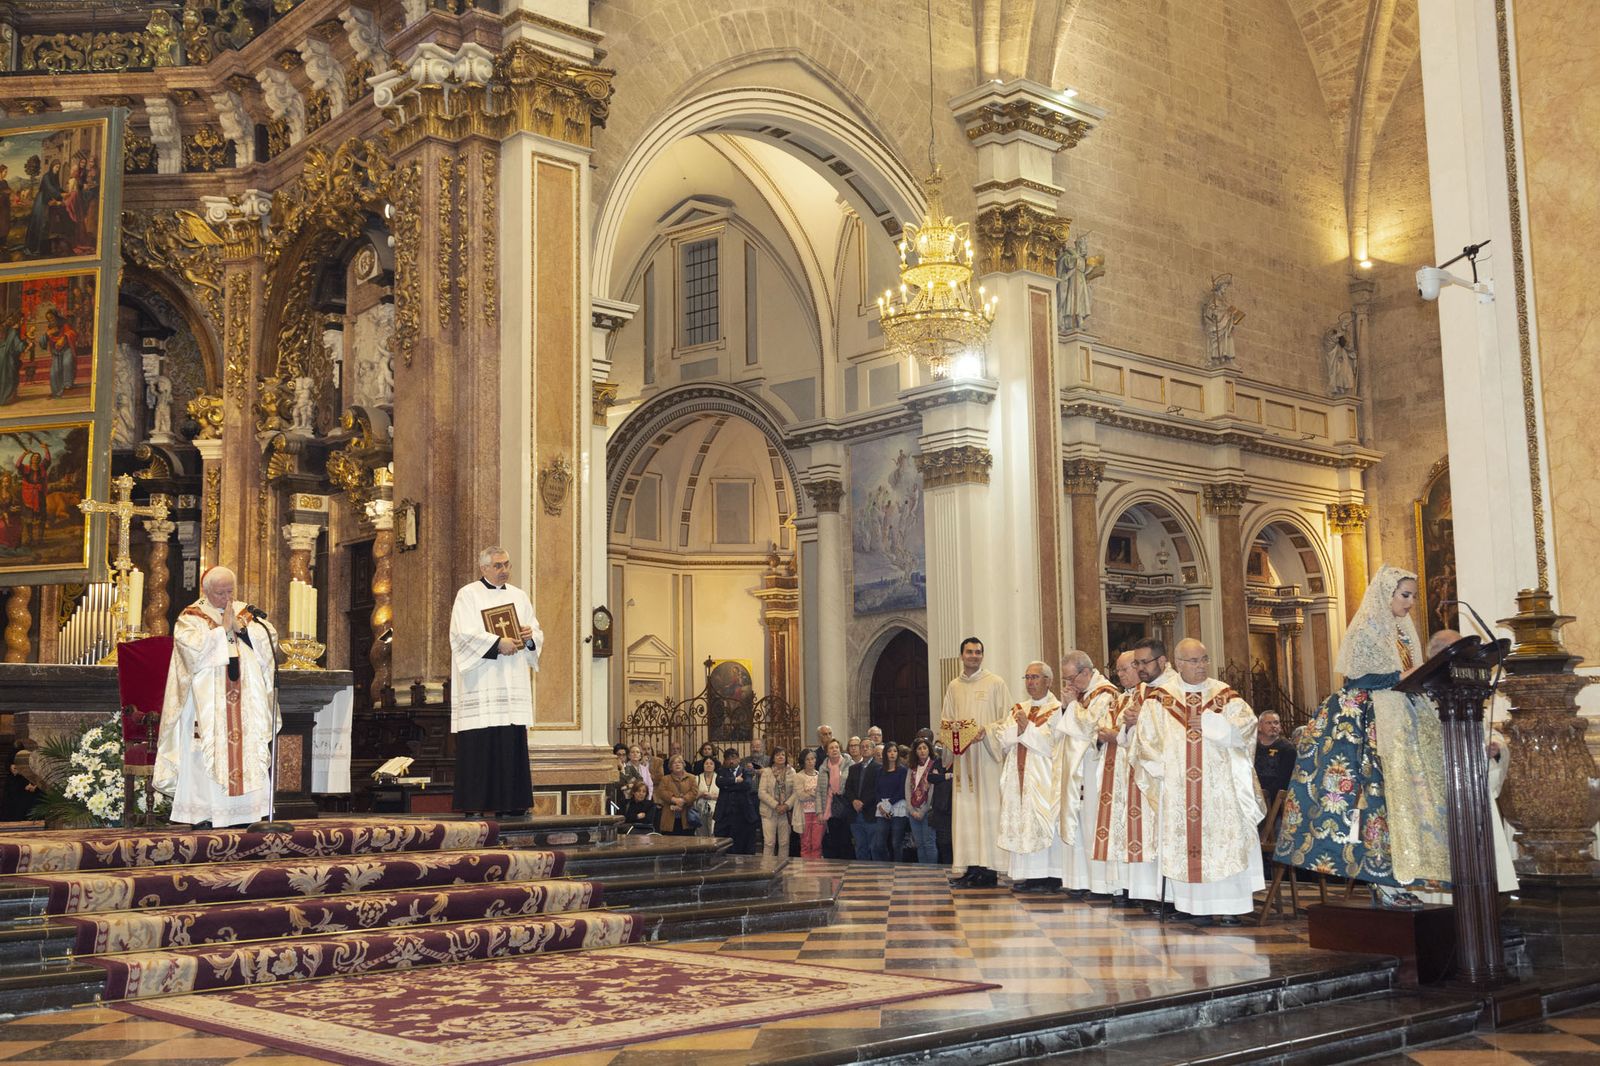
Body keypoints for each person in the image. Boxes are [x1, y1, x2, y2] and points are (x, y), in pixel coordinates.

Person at [1275, 569, 1473, 907]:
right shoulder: (1367, 628)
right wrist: (1402, 675)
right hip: (1368, 725)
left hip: (1402, 720)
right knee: (1374, 805)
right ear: (1386, 595)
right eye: (1405, 595)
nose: (1410, 603)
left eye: (1413, 596)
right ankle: (1383, 881)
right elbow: (1357, 676)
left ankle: (1405, 876)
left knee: (1407, 802)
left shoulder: (1403, 632)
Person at [1136, 639, 1265, 924]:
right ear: (1178, 664)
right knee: (1184, 846)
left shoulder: (1224, 696)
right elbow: (1145, 743)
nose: (1201, 666)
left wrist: (1212, 725)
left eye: (1204, 659)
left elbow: (1248, 728)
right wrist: (1164, 772)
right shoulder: (1160, 699)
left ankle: (1229, 907)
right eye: (1194, 661)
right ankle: (1190, 907)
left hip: (1219, 792)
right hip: (1179, 790)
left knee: (1224, 845)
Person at [154, 566, 280, 827]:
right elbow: (190, 649)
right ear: (206, 590)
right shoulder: (191, 617)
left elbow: (270, 639)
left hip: (245, 698)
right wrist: (221, 632)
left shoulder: (246, 612)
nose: (226, 597)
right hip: (208, 701)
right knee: (205, 749)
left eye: (230, 591)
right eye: (220, 592)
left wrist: (242, 629)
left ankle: (250, 813)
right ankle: (204, 812)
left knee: (247, 747)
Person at [447, 546, 542, 818]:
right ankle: (475, 805)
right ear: (484, 568)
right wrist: (497, 644)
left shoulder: (519, 596)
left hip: (511, 682)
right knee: (480, 741)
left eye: (507, 565)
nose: (504, 570)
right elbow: (461, 635)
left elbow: (535, 629)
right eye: (498, 565)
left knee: (509, 740)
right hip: (482, 680)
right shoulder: (468, 595)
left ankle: (511, 803)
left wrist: (529, 637)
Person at [1093, 650, 1161, 911]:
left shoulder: (1151, 697)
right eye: (1118, 670)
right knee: (1120, 830)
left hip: (1141, 773)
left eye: (1125, 669)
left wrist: (1120, 734)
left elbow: (1154, 732)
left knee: (1143, 831)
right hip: (1117, 775)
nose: (1120, 674)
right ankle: (1124, 886)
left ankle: (1147, 891)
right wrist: (1107, 735)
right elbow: (1100, 729)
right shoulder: (1119, 699)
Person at [942, 636, 1012, 888]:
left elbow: (1008, 720)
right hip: (964, 760)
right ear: (961, 655)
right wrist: (954, 734)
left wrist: (987, 731)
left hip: (987, 759)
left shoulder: (995, 683)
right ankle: (970, 867)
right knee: (966, 814)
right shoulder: (953, 686)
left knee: (987, 812)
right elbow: (946, 722)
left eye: (978, 652)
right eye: (969, 652)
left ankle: (989, 869)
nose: (974, 656)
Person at [997, 661, 1068, 893]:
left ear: (1048, 680)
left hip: (1043, 777)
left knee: (1043, 820)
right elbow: (1003, 739)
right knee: (1022, 822)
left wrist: (1026, 728)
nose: (1030, 682)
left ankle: (1050, 875)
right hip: (1018, 778)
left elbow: (1052, 744)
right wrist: (1019, 730)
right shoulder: (1019, 707)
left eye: (1035, 677)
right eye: (1027, 677)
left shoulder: (1058, 709)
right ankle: (1028, 875)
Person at [1056, 649, 1121, 898]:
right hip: (1077, 770)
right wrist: (1067, 706)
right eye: (1066, 680)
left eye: (1071, 678)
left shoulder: (1105, 694)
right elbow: (1065, 729)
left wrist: (1071, 705)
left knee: (1094, 825)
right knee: (1080, 825)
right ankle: (1080, 880)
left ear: (1085, 672)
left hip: (1095, 768)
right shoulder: (1083, 694)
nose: (1069, 684)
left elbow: (1091, 728)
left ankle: (1101, 885)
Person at [713, 747, 759, 854]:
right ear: (725, 761)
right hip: (725, 814)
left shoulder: (745, 771)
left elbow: (747, 785)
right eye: (728, 758)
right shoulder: (721, 771)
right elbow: (719, 783)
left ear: (739, 759)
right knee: (724, 844)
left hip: (743, 813)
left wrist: (728, 787)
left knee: (744, 844)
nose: (731, 761)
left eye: (733, 758)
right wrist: (735, 780)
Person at [844, 738, 881, 860]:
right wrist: (854, 800)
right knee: (860, 846)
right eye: (862, 747)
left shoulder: (878, 768)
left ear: (873, 749)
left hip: (870, 813)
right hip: (855, 814)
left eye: (867, 747)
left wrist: (863, 803)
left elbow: (877, 790)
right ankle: (861, 875)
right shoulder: (853, 768)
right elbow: (848, 789)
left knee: (874, 847)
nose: (864, 749)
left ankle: (875, 874)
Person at [872, 742, 910, 861]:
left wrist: (889, 804)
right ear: (885, 754)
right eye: (889, 751)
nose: (892, 754)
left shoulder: (903, 770)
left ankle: (898, 868)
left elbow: (902, 790)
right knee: (879, 843)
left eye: (894, 751)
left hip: (898, 806)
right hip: (882, 808)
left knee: (896, 843)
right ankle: (885, 866)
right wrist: (880, 805)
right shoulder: (879, 771)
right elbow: (876, 789)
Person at [905, 737, 940, 864]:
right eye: (919, 748)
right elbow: (907, 789)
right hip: (913, 811)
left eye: (925, 748)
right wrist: (911, 809)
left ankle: (932, 872)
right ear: (915, 752)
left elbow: (932, 790)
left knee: (929, 843)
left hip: (928, 811)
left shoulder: (934, 765)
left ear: (929, 749)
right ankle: (922, 870)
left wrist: (923, 811)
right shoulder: (912, 767)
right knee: (919, 844)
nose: (922, 751)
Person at [817, 738, 853, 858]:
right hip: (829, 807)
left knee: (846, 840)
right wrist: (819, 811)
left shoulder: (849, 764)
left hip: (846, 806)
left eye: (836, 747)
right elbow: (819, 791)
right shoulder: (823, 769)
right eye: (831, 748)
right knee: (833, 840)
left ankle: (847, 868)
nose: (834, 750)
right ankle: (836, 869)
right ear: (827, 752)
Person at [757, 748, 796, 857]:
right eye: (778, 755)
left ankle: (782, 868)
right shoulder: (767, 772)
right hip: (769, 811)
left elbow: (796, 792)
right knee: (769, 842)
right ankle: (767, 869)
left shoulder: (791, 771)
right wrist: (776, 805)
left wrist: (787, 805)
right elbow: (762, 793)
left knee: (784, 843)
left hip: (785, 812)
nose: (780, 757)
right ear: (773, 758)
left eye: (783, 755)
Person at [1253, 712, 1296, 813]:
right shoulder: (1253, 747)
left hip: (1276, 801)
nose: (1273, 726)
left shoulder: (1287, 749)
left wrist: (1264, 793)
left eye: (1276, 723)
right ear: (1259, 727)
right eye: (1268, 723)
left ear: (1280, 727)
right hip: (1253, 795)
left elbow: (1284, 780)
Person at [656, 753, 699, 836]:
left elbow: (694, 792)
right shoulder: (665, 779)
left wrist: (683, 800)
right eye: (674, 763)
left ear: (683, 765)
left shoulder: (692, 778)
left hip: (687, 817)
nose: (677, 764)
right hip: (669, 816)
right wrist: (674, 799)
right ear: (670, 767)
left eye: (679, 762)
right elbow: (661, 792)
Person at [44, 308, 80, 399]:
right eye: (48, 319)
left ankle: (67, 385)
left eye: (51, 317)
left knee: (66, 363)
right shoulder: (49, 328)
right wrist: (46, 335)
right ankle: (56, 392)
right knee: (54, 372)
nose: (50, 320)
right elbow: (43, 341)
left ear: (56, 316)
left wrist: (64, 337)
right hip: (57, 352)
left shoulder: (64, 324)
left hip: (67, 349)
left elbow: (72, 333)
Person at [795, 747, 823, 858]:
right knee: (805, 843)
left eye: (812, 759)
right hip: (804, 813)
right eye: (808, 759)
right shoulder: (798, 776)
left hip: (818, 813)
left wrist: (810, 792)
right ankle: (805, 871)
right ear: (803, 761)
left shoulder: (820, 775)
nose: (811, 762)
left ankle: (816, 870)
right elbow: (801, 795)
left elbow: (824, 794)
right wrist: (815, 793)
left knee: (817, 844)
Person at [693, 754, 720, 838]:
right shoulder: (697, 778)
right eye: (706, 763)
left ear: (715, 766)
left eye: (711, 764)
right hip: (700, 810)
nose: (708, 765)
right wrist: (701, 794)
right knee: (701, 834)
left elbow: (724, 796)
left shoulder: (719, 778)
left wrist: (712, 796)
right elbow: (692, 795)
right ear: (703, 765)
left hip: (715, 810)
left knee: (713, 832)